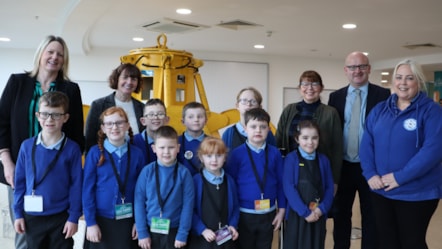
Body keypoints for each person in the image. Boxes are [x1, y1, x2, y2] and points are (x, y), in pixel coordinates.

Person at [0, 35, 84, 249]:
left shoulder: (70, 89)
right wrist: (7, 161)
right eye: (50, 52)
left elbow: (75, 133)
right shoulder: (17, 82)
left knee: (57, 237)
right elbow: (1, 124)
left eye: (60, 54)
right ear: (40, 53)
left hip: (57, 175)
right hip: (20, 168)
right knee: (24, 233)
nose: (54, 57)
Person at [360, 59, 442, 249]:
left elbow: (432, 151)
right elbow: (366, 144)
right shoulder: (380, 110)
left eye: (409, 78)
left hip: (417, 193)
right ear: (392, 81)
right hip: (382, 190)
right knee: (387, 242)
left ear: (418, 82)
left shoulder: (432, 112)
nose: (402, 83)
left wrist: (400, 177)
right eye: (398, 77)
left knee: (411, 243)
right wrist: (370, 173)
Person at [328, 51, 391, 249]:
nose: (358, 71)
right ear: (346, 70)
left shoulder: (383, 95)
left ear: (369, 69)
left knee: (372, 216)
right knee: (341, 215)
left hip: (371, 167)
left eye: (362, 66)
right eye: (353, 67)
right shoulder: (335, 97)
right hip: (343, 166)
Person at [13, 91, 83, 249]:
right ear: (38, 116)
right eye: (45, 114)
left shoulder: (72, 149)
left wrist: (73, 217)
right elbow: (20, 183)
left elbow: (76, 185)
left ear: (65, 118)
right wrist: (18, 213)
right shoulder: (26, 146)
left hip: (61, 217)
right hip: (32, 216)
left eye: (56, 115)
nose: (50, 119)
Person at [83, 106, 145, 249]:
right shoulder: (94, 154)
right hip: (100, 220)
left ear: (127, 125)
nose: (114, 127)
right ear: (103, 128)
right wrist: (91, 222)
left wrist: (138, 222)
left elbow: (141, 191)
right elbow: (87, 190)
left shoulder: (137, 154)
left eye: (119, 122)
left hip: (128, 221)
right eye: (109, 123)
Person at [225, 108, 286, 249]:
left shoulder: (275, 153)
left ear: (269, 130)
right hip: (244, 214)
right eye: (253, 126)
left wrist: (281, 209)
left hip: (268, 213)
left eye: (263, 127)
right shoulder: (236, 154)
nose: (258, 130)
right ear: (245, 129)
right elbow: (230, 185)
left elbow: (281, 183)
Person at [276, 70, 343, 190]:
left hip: (318, 172)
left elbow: (337, 148)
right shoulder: (289, 110)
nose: (310, 88)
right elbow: (279, 140)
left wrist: (334, 180)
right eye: (305, 84)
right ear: (299, 88)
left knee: (315, 206)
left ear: (321, 88)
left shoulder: (331, 113)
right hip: (290, 170)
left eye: (314, 84)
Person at [134, 125, 195, 249]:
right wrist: (142, 232)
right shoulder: (147, 172)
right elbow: (139, 202)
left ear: (178, 148)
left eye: (171, 147)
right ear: (154, 148)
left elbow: (188, 205)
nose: (166, 152)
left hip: (175, 231)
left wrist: (182, 234)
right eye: (162, 148)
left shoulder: (184, 173)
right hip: (150, 231)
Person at [282, 120, 334, 249]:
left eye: (314, 138)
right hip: (298, 215)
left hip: (318, 214)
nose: (310, 142)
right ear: (297, 138)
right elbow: (289, 188)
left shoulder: (324, 160)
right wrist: (305, 212)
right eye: (305, 138)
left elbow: (329, 188)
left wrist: (321, 209)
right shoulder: (291, 159)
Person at [190, 137, 239, 249]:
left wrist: (232, 225)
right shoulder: (195, 181)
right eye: (209, 156)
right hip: (203, 238)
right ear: (201, 158)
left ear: (225, 157)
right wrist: (201, 229)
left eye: (218, 155)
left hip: (225, 238)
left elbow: (236, 207)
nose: (214, 160)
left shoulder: (230, 181)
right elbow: (189, 210)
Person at [85, 63, 144, 153]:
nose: (129, 82)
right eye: (125, 77)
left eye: (133, 79)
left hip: (134, 160)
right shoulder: (98, 105)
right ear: (117, 79)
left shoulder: (142, 108)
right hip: (105, 160)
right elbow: (90, 139)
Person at [133, 98, 170, 165]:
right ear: (143, 121)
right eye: (151, 115)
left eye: (160, 114)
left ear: (167, 120)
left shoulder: (173, 141)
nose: (156, 118)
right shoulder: (133, 142)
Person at [178, 102, 208, 176]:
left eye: (200, 116)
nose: (196, 120)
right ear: (183, 121)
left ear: (206, 121)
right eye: (191, 117)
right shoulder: (175, 142)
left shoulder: (212, 143)